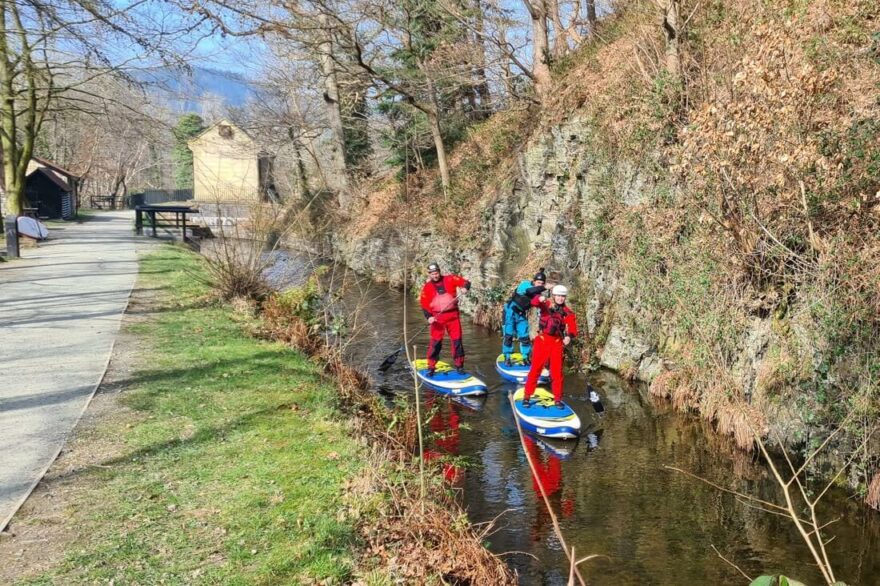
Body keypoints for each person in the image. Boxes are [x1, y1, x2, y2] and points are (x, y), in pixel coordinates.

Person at [522, 284, 578, 408]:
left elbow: (573, 328)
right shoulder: (546, 304)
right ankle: (527, 396)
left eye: (563, 296)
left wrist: (569, 336)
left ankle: (557, 398)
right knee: (535, 369)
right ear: (553, 295)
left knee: (557, 373)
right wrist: (540, 298)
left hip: (557, 343)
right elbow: (534, 301)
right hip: (542, 341)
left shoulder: (568, 312)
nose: (560, 298)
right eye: (558, 295)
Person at [419, 262, 471, 375]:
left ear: (439, 271)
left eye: (436, 273)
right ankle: (431, 367)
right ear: (429, 275)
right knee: (436, 343)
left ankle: (459, 366)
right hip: (437, 319)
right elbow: (424, 304)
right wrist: (429, 317)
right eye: (432, 274)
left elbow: (465, 282)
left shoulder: (450, 278)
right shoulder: (427, 287)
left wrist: (465, 288)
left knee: (457, 341)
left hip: (453, 317)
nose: (435, 275)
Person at [502, 268, 547, 366]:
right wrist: (546, 287)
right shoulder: (525, 284)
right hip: (510, 311)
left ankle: (526, 357)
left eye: (542, 283)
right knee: (509, 336)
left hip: (521, 314)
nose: (539, 284)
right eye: (538, 282)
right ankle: (507, 356)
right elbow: (530, 291)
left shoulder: (537, 293)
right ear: (534, 281)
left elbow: (537, 301)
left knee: (524, 336)